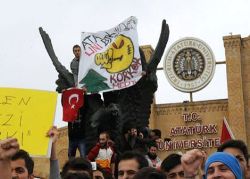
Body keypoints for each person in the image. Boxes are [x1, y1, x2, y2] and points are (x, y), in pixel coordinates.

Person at [67, 44, 87, 158]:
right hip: (79, 87)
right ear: (73, 52)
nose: (77, 52)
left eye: (79, 50)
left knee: (84, 156)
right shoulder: (73, 63)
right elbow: (75, 75)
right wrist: (76, 88)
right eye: (75, 50)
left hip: (88, 85)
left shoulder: (86, 60)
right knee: (71, 157)